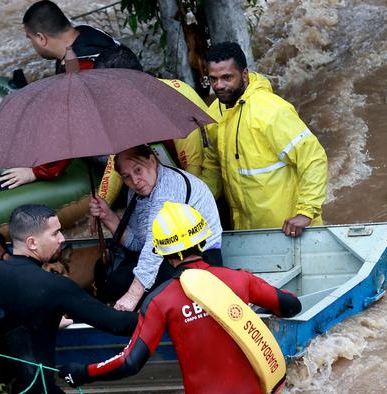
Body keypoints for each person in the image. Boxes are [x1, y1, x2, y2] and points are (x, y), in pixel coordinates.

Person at [58, 202, 301, 392]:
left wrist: (82, 372)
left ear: (161, 253)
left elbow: (130, 362)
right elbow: (291, 306)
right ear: (204, 240)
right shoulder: (239, 279)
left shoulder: (160, 301)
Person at [0, 204, 137, 393]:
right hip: (36, 389)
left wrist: (44, 322)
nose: (62, 239)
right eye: (55, 233)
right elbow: (116, 324)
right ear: (32, 243)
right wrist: (160, 310)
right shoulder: (53, 285)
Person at [200, 42, 328, 237]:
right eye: (213, 79)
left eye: (227, 77)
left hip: (292, 231)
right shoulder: (213, 115)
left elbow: (313, 158)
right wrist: (195, 201)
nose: (219, 86)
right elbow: (213, 168)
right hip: (247, 233)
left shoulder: (271, 111)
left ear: (244, 75)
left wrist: (306, 212)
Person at [0, 0, 123, 189]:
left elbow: (72, 127)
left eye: (29, 38)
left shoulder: (80, 69)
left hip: (122, 145)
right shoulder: (88, 34)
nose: (32, 43)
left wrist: (36, 171)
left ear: (41, 38)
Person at [88, 145, 222, 311]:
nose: (135, 181)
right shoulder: (137, 193)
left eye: (138, 170)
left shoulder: (167, 188)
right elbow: (137, 243)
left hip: (199, 257)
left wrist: (132, 296)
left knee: (131, 290)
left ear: (152, 161)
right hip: (170, 257)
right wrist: (107, 216)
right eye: (127, 177)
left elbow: (153, 247)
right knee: (114, 281)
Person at [91, 44, 210, 207]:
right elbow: (118, 159)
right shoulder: (125, 105)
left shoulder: (172, 99)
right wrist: (103, 201)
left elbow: (193, 165)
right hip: (168, 181)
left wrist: (183, 208)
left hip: (205, 182)